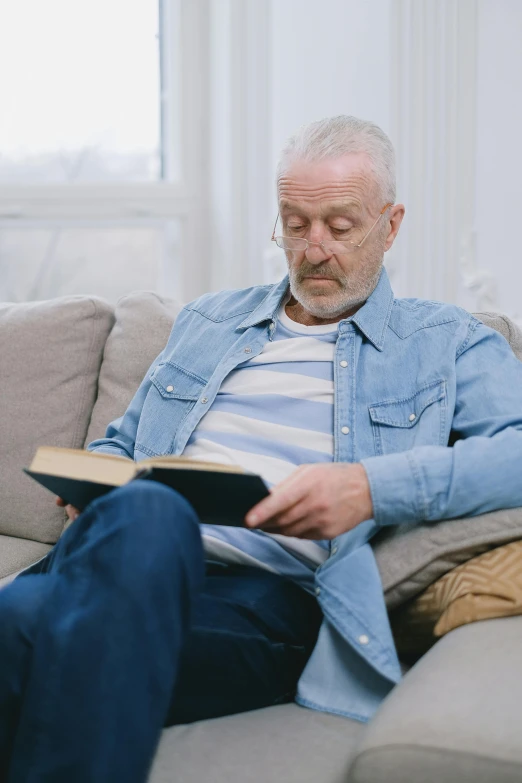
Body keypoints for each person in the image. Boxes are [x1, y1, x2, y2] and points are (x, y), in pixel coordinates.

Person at [3, 114, 522, 782]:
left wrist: (369, 485)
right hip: (110, 555)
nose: (313, 248)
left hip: (261, 602)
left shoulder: (448, 341)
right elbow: (121, 442)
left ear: (390, 226)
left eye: (340, 225)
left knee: (19, 616)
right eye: (294, 223)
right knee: (141, 515)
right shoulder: (209, 321)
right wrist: (98, 471)